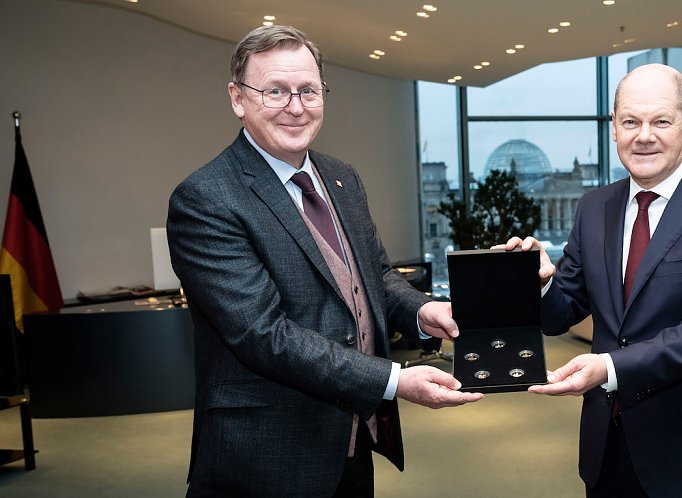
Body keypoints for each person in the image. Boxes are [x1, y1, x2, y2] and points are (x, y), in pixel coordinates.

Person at [167, 25, 482, 497]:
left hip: (350, 445)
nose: (296, 107)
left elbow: (372, 275)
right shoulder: (206, 198)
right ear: (238, 98)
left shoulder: (341, 178)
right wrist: (393, 379)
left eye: (308, 91)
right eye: (275, 90)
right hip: (265, 458)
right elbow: (263, 334)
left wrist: (422, 309)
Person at [498, 64, 682, 497]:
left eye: (661, 121)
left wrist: (609, 367)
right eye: (630, 121)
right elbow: (560, 314)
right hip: (606, 443)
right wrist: (542, 282)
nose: (643, 135)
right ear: (614, 128)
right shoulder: (593, 207)